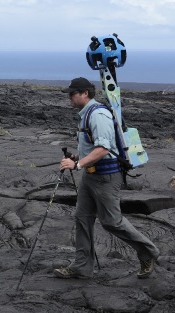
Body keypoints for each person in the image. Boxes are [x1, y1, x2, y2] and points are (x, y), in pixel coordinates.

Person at [53, 77, 159, 279]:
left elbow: (103, 149)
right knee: (82, 218)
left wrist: (77, 165)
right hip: (91, 176)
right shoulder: (85, 114)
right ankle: (82, 267)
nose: (69, 97)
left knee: (112, 222)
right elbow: (94, 147)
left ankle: (148, 253)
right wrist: (77, 157)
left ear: (85, 93)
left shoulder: (98, 114)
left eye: (72, 93)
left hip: (107, 176)